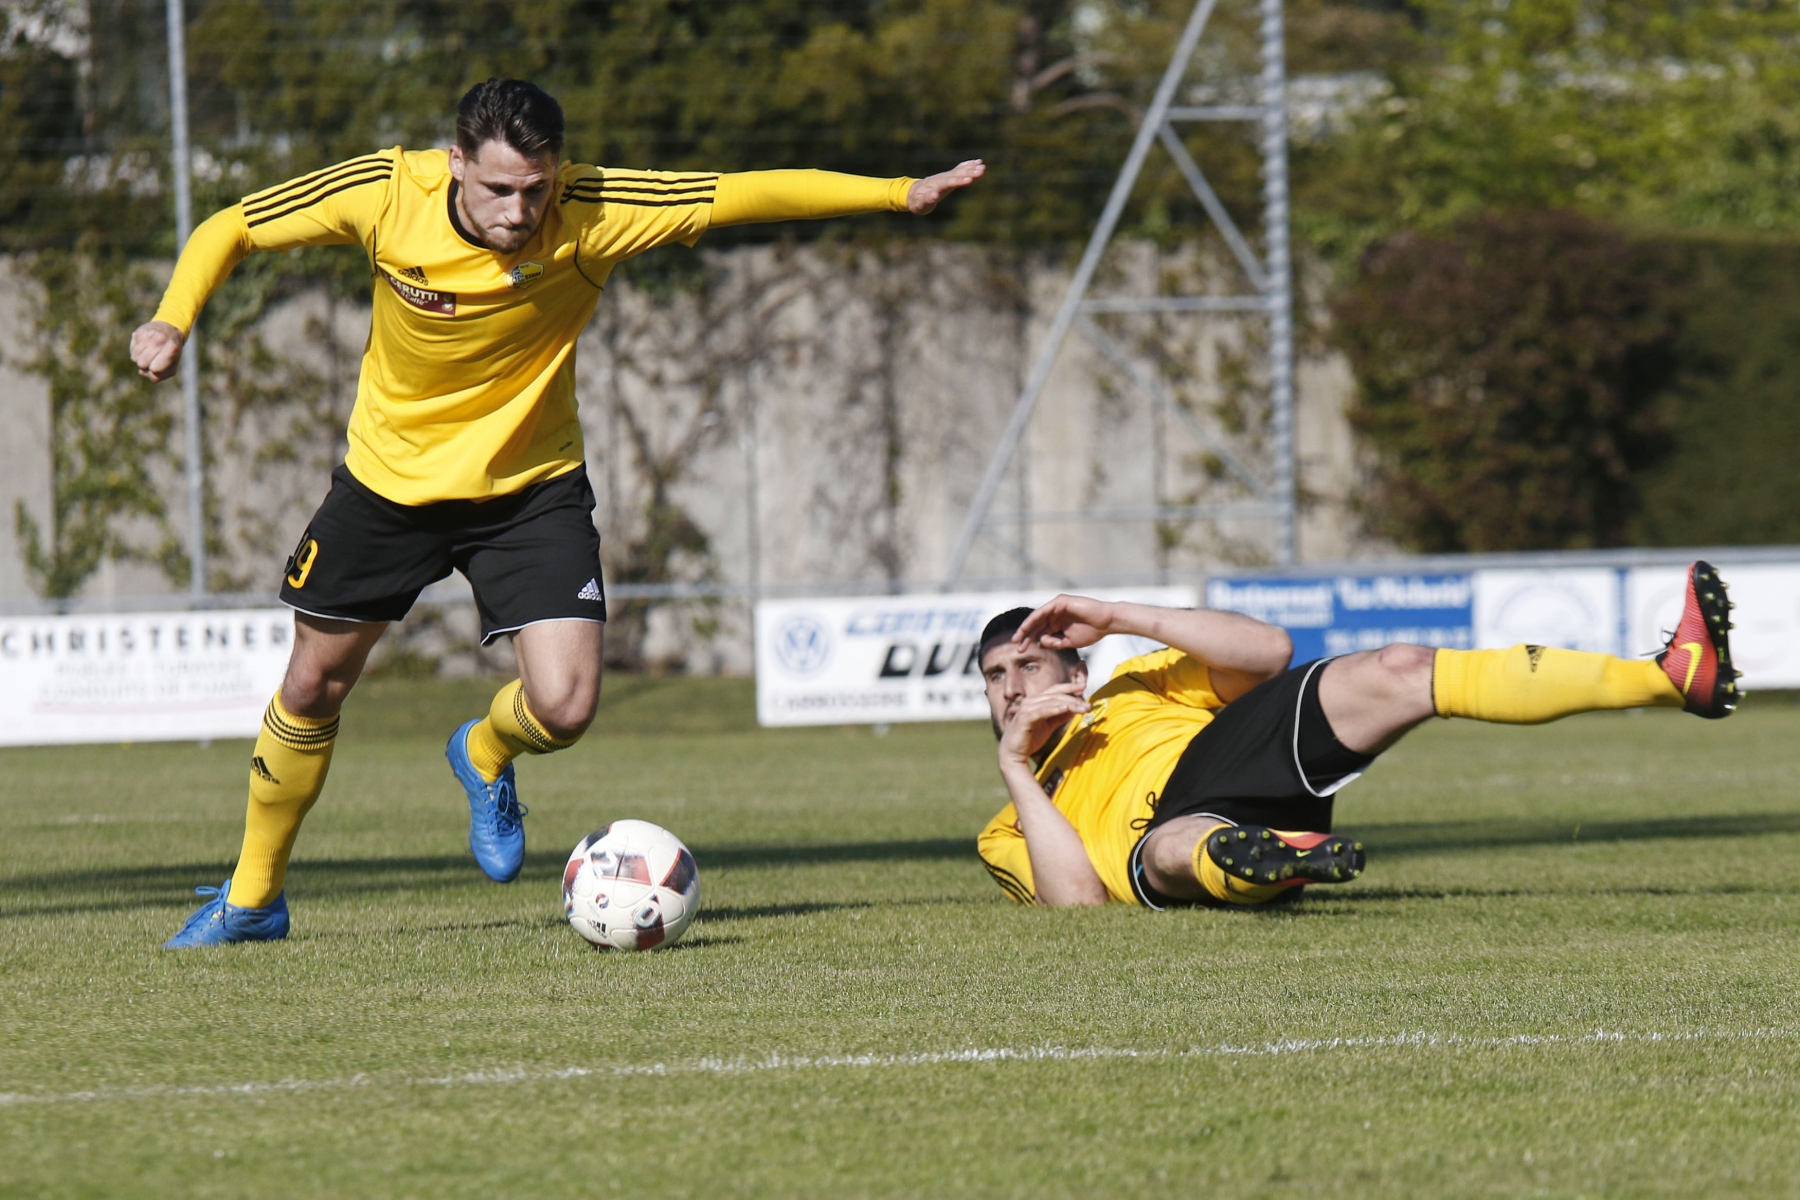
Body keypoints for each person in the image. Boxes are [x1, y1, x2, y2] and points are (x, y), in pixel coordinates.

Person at [134, 78, 985, 947]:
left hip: (530, 491)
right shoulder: (388, 193)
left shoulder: (595, 208)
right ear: (456, 162)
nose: (520, 210)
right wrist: (173, 320)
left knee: (567, 706)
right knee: (313, 685)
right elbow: (231, 225)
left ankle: (485, 752)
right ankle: (255, 896)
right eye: (499, 188)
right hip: (389, 487)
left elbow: (739, 192)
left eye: (536, 189)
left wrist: (895, 193)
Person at [976, 561, 1739, 909]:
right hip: (1168, 845)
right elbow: (1076, 906)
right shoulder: (1008, 824)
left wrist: (1118, 617)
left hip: (1226, 757)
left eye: (1030, 665)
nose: (1012, 688)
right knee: (1178, 846)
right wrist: (1018, 768)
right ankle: (1268, 860)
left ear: (1075, 675)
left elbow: (1269, 651)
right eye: (994, 675)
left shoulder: (1134, 687)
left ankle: (1673, 676)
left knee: (1402, 666)